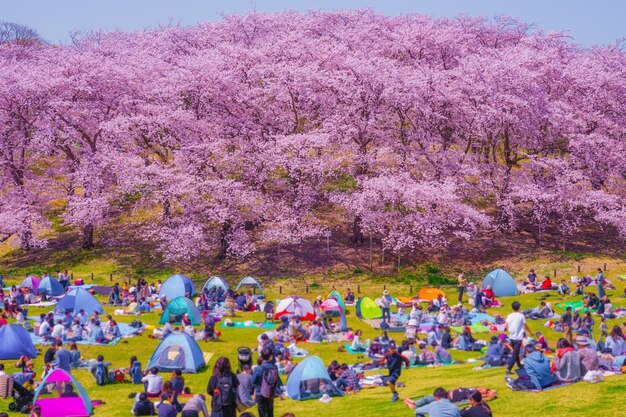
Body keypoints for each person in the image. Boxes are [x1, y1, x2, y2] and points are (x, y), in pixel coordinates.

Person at [252, 347, 282, 417]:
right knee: (270, 412)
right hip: (270, 391)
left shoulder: (258, 368)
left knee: (262, 412)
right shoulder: (274, 367)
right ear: (271, 356)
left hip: (260, 392)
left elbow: (253, 381)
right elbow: (276, 379)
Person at [505, 301, 531, 375]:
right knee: (515, 353)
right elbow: (525, 325)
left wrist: (509, 330)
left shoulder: (510, 315)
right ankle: (508, 369)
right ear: (519, 308)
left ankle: (519, 364)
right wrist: (530, 332)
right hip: (518, 338)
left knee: (516, 352)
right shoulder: (521, 316)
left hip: (511, 337)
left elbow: (506, 325)